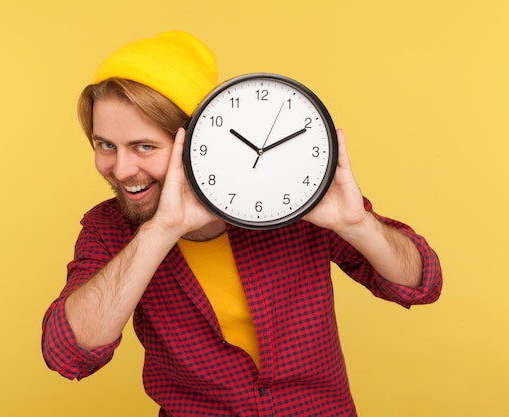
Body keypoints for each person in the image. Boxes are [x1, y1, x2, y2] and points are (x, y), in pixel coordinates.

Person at [41, 30, 442, 417]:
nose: (122, 169)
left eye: (144, 147)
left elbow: (421, 284)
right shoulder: (108, 229)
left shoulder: (291, 199)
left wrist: (358, 224)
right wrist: (161, 230)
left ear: (199, 145)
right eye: (105, 145)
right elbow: (68, 353)